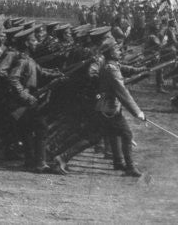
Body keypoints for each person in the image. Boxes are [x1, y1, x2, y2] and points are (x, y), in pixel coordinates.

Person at [53, 45, 146, 177]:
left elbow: (125, 70)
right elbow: (122, 92)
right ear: (110, 53)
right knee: (126, 135)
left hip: (106, 108)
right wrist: (137, 112)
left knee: (94, 137)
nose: (120, 52)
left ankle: (62, 158)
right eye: (117, 50)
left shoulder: (111, 65)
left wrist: (142, 69)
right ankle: (130, 167)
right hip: (109, 110)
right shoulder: (111, 69)